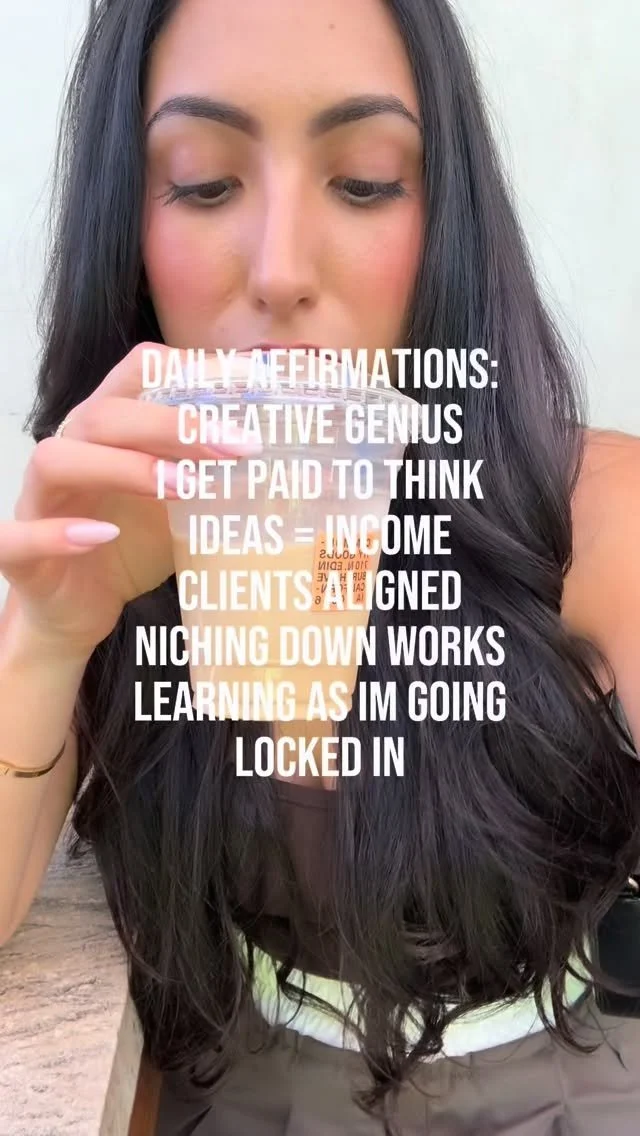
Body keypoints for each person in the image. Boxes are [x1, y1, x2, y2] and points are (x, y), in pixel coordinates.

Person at [1, 0, 639, 1132]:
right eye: (204, 183)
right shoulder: (114, 515)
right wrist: (48, 636)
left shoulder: (590, 508)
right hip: (242, 1090)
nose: (281, 270)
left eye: (363, 182)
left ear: (444, 216)